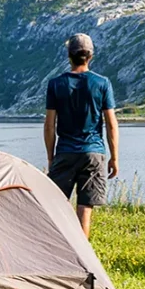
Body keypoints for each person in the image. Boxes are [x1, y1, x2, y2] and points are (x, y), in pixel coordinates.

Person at [44, 33, 119, 238]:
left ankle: (60, 251)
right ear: (91, 56)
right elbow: (111, 124)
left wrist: (51, 157)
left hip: (65, 152)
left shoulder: (56, 84)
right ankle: (82, 260)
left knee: (58, 205)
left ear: (69, 56)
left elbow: (50, 125)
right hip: (93, 153)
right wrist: (114, 157)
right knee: (85, 209)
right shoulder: (102, 84)